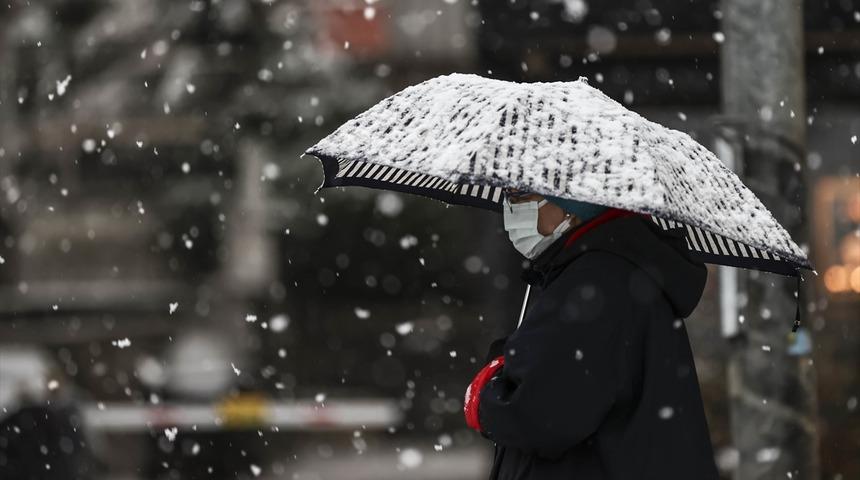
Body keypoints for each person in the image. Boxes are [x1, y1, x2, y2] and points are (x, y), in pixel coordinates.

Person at [463, 188, 720, 480]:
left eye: (522, 195)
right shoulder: (608, 270)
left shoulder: (597, 281)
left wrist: (487, 393)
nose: (511, 208)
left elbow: (538, 415)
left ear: (571, 204)